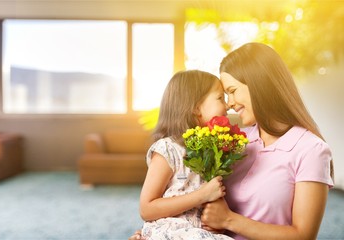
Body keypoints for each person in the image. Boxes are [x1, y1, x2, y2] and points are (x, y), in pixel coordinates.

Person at [129, 42, 334, 240]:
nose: (230, 104)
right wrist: (155, 232)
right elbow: (186, 193)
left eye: (232, 91)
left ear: (258, 85)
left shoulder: (311, 150)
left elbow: (303, 235)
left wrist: (229, 220)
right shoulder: (235, 140)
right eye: (224, 96)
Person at [139, 70, 233, 240]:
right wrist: (201, 195)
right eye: (220, 98)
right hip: (172, 232)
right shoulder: (167, 149)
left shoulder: (213, 150)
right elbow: (147, 209)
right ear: (197, 108)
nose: (227, 106)